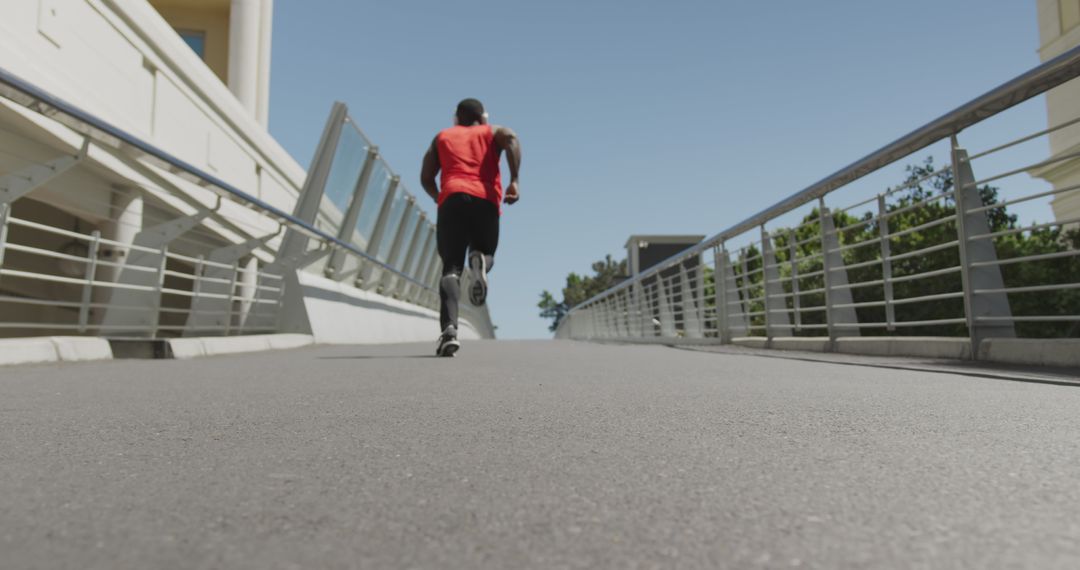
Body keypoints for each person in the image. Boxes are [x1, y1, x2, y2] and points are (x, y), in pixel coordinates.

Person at [420, 98, 521, 357]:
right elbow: (511, 138)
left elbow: (426, 177)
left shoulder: (442, 137)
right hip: (485, 199)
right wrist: (514, 180)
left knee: (451, 268)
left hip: (451, 198)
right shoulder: (490, 132)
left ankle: (449, 331)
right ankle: (481, 264)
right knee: (486, 253)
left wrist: (438, 196)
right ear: (483, 118)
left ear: (456, 118)